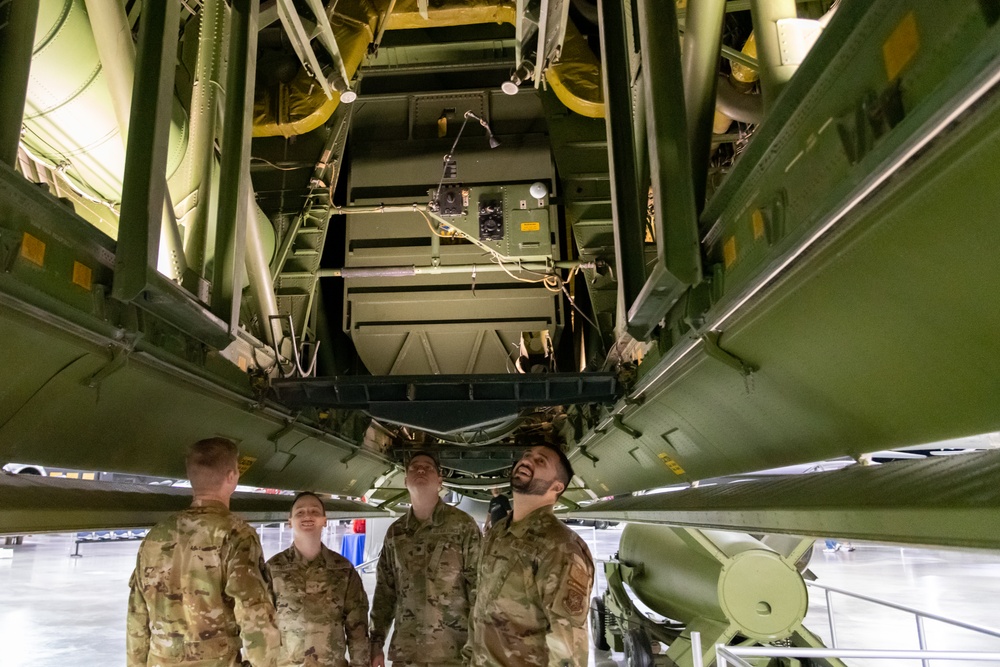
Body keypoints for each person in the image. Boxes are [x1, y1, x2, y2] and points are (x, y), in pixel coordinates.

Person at [126, 437, 280, 667]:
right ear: (232, 477)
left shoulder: (156, 536)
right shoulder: (236, 534)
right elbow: (253, 612)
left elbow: (137, 616)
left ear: (191, 479)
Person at [469, 444, 595, 667]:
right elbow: (481, 605)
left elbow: (568, 646)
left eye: (541, 461)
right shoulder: (498, 532)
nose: (527, 460)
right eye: (527, 455)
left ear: (556, 486)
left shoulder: (560, 546)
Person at [369, 452, 481, 667]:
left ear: (440, 481)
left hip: (453, 655)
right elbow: (385, 590)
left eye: (428, 467)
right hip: (407, 654)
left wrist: (477, 649)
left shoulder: (462, 526)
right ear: (405, 481)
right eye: (414, 467)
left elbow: (479, 589)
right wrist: (376, 640)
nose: (420, 470)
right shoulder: (396, 532)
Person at [267, 491, 370, 667]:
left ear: (324, 520)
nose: (307, 515)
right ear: (290, 522)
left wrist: (360, 664)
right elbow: (260, 625)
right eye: (300, 512)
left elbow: (357, 627)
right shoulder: (273, 568)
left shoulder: (343, 569)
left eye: (315, 511)